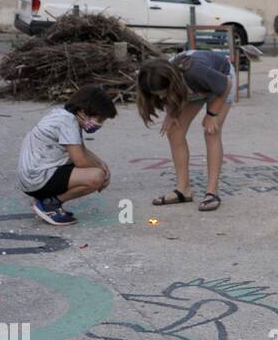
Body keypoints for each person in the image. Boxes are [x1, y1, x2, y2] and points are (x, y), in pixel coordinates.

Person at [136, 49, 237, 212]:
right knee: (174, 131)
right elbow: (171, 95)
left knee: (211, 132)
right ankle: (183, 190)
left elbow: (225, 85)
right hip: (192, 87)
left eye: (162, 94)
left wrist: (212, 114)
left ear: (171, 83)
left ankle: (212, 192)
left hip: (220, 80)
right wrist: (171, 113)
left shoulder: (194, 71)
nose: (161, 98)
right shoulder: (158, 75)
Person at [18, 85, 117, 226]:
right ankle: (49, 204)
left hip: (34, 174)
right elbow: (81, 160)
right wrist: (103, 174)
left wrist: (102, 165)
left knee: (99, 171)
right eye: (99, 119)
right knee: (96, 177)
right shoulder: (68, 122)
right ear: (83, 112)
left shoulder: (63, 115)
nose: (99, 124)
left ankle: (48, 200)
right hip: (37, 178)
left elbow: (82, 149)